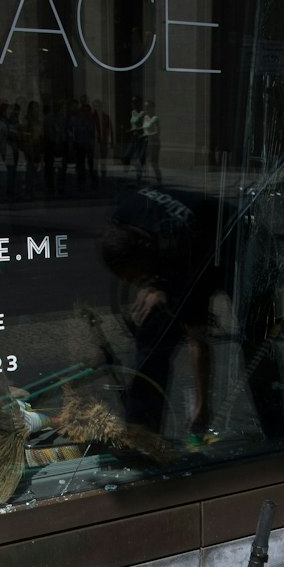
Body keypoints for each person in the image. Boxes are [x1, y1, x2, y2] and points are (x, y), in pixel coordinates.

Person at [99, 185, 223, 441]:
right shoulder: (123, 217)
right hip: (171, 249)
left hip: (226, 240)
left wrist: (202, 404)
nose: (136, 286)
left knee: (256, 338)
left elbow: (198, 343)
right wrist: (152, 285)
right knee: (151, 340)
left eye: (139, 277)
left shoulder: (190, 255)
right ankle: (143, 433)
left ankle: (275, 425)